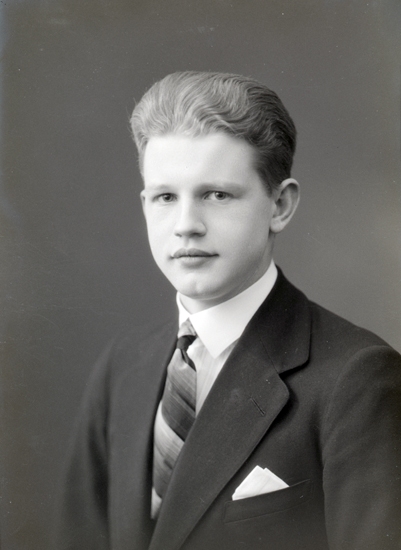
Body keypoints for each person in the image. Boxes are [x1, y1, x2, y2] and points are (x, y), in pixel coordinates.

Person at [56, 71, 401, 550]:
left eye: (216, 195)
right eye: (165, 197)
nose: (186, 225)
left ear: (280, 205)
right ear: (145, 204)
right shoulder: (123, 365)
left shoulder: (355, 378)